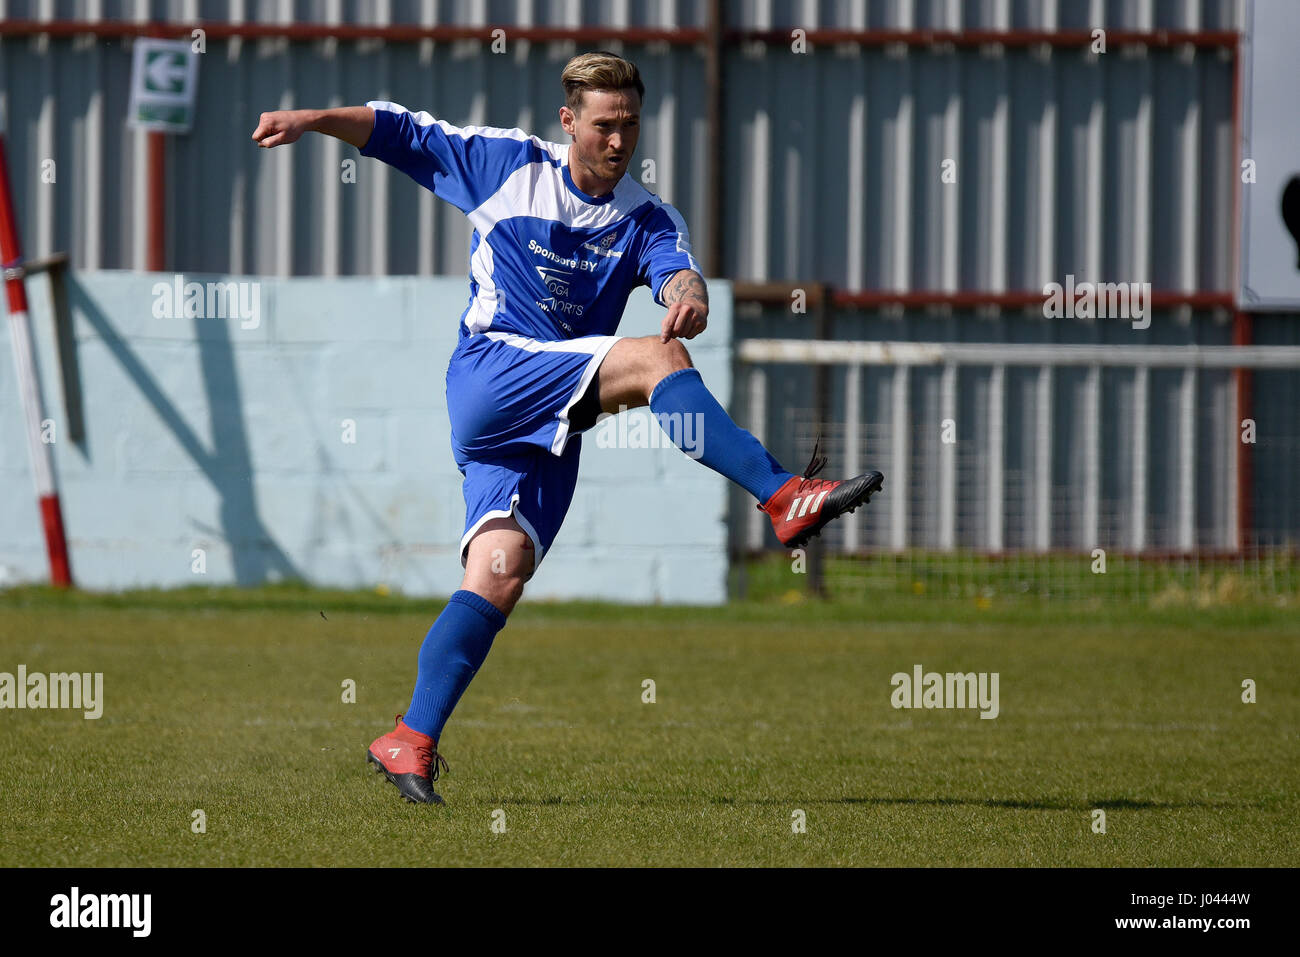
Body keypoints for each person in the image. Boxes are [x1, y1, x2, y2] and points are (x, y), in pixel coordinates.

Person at [252, 51, 883, 804]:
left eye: (631, 126)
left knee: (497, 574)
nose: (620, 142)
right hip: (491, 375)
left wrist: (691, 293)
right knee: (658, 360)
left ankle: (408, 738)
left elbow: (678, 271)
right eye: (605, 126)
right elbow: (395, 130)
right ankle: (782, 495)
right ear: (569, 121)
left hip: (552, 422)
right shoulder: (507, 167)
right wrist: (310, 120)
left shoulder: (646, 218)